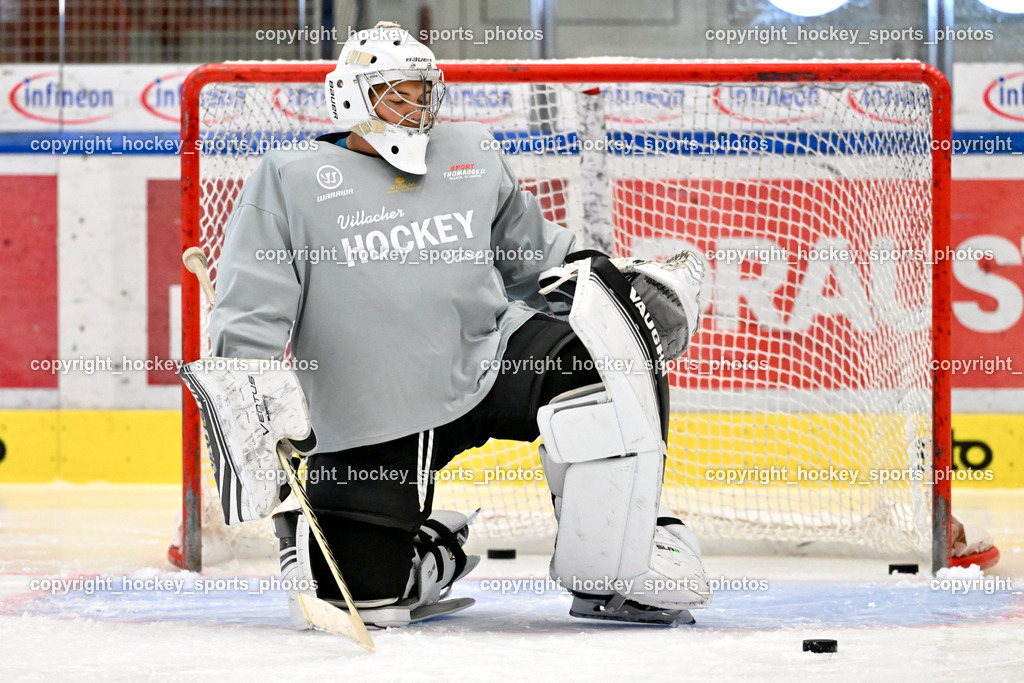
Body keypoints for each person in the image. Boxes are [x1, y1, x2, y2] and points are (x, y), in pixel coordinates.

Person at [194, 21, 712, 628]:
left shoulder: (471, 153)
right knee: (368, 603)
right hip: (371, 409)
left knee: (603, 360)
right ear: (349, 97)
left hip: (491, 359)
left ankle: (618, 561)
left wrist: (605, 279)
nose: (414, 108)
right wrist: (250, 395)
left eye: (422, 92)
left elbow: (532, 259)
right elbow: (251, 310)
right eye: (395, 93)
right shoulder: (289, 178)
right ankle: (435, 549)